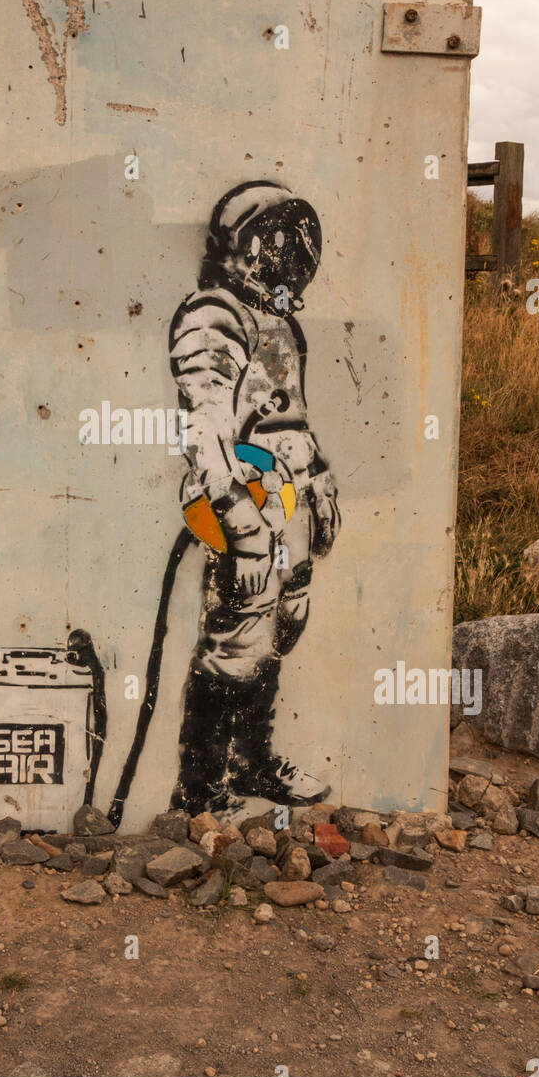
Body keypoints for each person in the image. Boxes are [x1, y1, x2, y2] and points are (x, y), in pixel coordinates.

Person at [168, 181, 340, 815]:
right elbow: (205, 438)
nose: (292, 257)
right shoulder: (213, 317)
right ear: (245, 247)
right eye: (278, 243)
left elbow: (289, 419)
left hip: (282, 501)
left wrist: (316, 478)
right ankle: (203, 786)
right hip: (236, 502)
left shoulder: (278, 322)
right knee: (238, 638)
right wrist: (242, 530)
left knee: (279, 630)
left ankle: (253, 764)